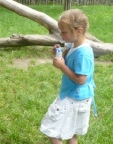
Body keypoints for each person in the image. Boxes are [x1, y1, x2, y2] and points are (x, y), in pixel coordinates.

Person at [40, 9, 96, 144]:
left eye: (64, 31)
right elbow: (69, 59)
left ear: (79, 31)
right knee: (72, 134)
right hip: (79, 98)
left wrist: (62, 66)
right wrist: (60, 54)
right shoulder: (74, 45)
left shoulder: (83, 53)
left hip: (72, 99)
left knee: (52, 130)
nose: (61, 34)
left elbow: (81, 80)